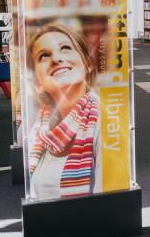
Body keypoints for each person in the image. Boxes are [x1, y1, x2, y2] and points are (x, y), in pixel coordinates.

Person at [26, 23, 101, 200]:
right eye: (44, 55)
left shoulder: (104, 121)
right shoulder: (38, 128)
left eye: (65, 48)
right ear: (38, 83)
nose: (56, 59)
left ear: (88, 63)